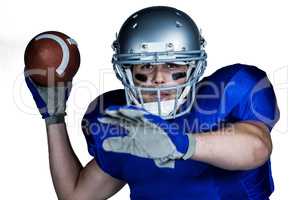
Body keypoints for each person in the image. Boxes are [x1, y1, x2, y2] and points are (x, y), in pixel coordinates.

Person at [25, 6, 280, 200]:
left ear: (195, 66)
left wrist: (182, 144)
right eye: (145, 67)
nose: (159, 78)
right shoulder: (121, 120)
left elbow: (257, 147)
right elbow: (75, 195)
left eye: (172, 65)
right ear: (126, 71)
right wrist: (54, 117)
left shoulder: (227, 93)